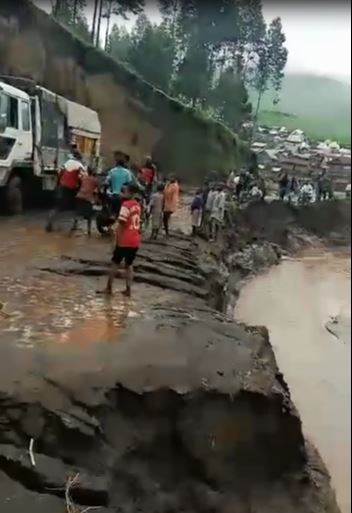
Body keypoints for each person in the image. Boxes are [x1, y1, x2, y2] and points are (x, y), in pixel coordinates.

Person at [102, 183, 141, 297]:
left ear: (130, 193)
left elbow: (122, 222)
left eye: (124, 191)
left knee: (115, 263)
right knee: (129, 265)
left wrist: (111, 228)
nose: (121, 194)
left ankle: (109, 288)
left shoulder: (126, 205)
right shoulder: (137, 205)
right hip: (135, 240)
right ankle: (128, 289)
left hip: (125, 240)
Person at [46, 153, 85, 232]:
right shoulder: (79, 165)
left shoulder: (66, 163)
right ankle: (74, 225)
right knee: (75, 207)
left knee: (57, 207)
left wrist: (57, 185)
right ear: (79, 158)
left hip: (61, 187)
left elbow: (59, 174)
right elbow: (82, 177)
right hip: (71, 189)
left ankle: (49, 224)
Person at [70, 167, 98, 236]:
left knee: (78, 212)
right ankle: (89, 230)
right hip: (88, 198)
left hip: (79, 196)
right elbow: (97, 189)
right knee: (89, 215)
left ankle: (74, 226)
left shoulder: (84, 178)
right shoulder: (95, 180)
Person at [106, 151, 133, 216]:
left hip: (112, 195)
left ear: (116, 164)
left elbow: (107, 181)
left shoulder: (112, 171)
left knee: (111, 211)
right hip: (122, 197)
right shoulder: (127, 172)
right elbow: (129, 183)